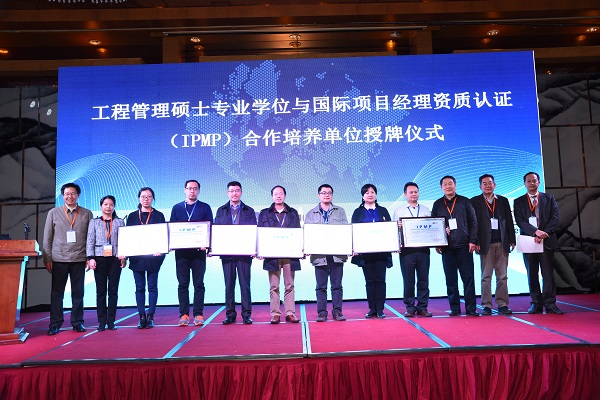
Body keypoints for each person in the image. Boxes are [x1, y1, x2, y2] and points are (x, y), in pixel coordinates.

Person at [43, 182, 93, 335]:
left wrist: (89, 257)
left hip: (79, 258)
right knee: (57, 293)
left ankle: (77, 322)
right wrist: (47, 259)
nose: (69, 196)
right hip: (59, 259)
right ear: (62, 195)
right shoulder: (53, 213)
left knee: (78, 293)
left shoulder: (87, 213)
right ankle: (55, 323)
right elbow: (47, 238)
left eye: (72, 193)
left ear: (78, 195)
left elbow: (90, 238)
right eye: (66, 194)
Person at [513, 172, 563, 314]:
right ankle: (536, 303)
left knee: (548, 275)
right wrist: (535, 232)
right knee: (532, 274)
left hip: (546, 240)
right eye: (528, 181)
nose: (531, 183)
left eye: (534, 180)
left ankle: (550, 304)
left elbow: (555, 218)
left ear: (539, 182)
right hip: (529, 242)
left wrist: (543, 233)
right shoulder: (518, 201)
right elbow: (520, 221)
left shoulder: (549, 198)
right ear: (524, 184)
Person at [431, 176, 479, 317]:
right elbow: (433, 224)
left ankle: (471, 308)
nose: (448, 186)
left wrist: (473, 241)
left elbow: (473, 222)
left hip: (464, 246)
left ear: (455, 185)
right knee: (451, 280)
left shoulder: (465, 201)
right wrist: (438, 242)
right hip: (447, 247)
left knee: (468, 279)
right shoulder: (438, 204)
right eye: (445, 184)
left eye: (450, 183)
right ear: (441, 188)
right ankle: (455, 308)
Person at [470, 174, 516, 316]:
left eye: (490, 183)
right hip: (484, 244)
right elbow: (473, 223)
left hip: (502, 242)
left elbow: (509, 220)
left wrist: (512, 239)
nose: (487, 186)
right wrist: (476, 241)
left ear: (494, 185)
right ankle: (486, 305)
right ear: (480, 186)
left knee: (502, 276)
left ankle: (502, 304)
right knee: (486, 276)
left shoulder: (502, 200)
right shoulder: (474, 201)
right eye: (484, 183)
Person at [170, 180, 213, 327]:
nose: (192, 191)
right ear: (184, 190)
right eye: (189, 188)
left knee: (198, 284)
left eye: (195, 188)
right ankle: (184, 314)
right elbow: (172, 228)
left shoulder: (205, 207)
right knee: (183, 284)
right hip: (181, 253)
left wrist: (207, 245)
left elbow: (210, 228)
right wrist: (171, 244)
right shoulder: (177, 208)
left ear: (199, 190)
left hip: (198, 253)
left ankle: (198, 314)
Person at [213, 181, 257, 325]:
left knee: (245, 285)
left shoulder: (249, 210)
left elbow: (253, 231)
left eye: (237, 190)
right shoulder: (221, 210)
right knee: (229, 285)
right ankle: (230, 314)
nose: (234, 193)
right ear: (227, 193)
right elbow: (216, 231)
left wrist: (253, 248)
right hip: (227, 254)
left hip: (244, 253)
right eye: (231, 191)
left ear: (241, 192)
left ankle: (246, 315)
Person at [258, 185, 301, 324]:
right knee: (274, 286)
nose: (278, 196)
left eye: (281, 193)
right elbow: (260, 233)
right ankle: (275, 313)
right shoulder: (265, 213)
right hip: (272, 255)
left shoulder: (293, 213)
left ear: (285, 195)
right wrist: (260, 250)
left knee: (289, 285)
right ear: (272, 196)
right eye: (276, 194)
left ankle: (290, 313)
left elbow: (298, 233)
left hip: (289, 254)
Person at [304, 184, 348, 322]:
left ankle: (337, 312)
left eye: (329, 192)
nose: (326, 195)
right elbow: (307, 234)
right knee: (321, 286)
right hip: (319, 256)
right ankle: (322, 313)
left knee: (337, 286)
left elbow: (345, 231)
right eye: (323, 193)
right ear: (319, 195)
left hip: (337, 254)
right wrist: (307, 248)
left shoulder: (340, 211)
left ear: (332, 195)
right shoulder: (311, 213)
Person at [126, 187, 166, 329]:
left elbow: (163, 236)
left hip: (153, 258)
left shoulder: (159, 215)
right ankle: (141, 316)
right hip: (137, 258)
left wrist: (161, 250)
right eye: (143, 196)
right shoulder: (132, 216)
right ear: (139, 198)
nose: (146, 199)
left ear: (153, 198)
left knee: (152, 287)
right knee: (139, 287)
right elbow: (127, 237)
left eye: (149, 196)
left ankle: (151, 316)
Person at [351, 184, 393, 319]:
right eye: (367, 192)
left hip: (381, 252)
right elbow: (353, 231)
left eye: (372, 192)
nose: (370, 194)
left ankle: (380, 309)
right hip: (365, 253)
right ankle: (372, 308)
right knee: (369, 280)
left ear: (376, 194)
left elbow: (390, 230)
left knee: (380, 280)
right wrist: (354, 247)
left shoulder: (383, 210)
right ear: (362, 196)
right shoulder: (357, 212)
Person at [86, 195, 126, 331]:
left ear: (114, 206)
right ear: (101, 206)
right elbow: (90, 241)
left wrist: (124, 257)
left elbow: (124, 241)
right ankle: (101, 321)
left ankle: (111, 321)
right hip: (99, 258)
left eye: (111, 204)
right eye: (105, 204)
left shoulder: (120, 221)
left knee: (113, 291)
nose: (108, 207)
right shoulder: (94, 222)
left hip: (115, 258)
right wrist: (90, 258)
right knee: (101, 291)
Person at [393, 182, 433, 318]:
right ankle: (410, 307)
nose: (414, 194)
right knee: (408, 281)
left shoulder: (426, 210)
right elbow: (394, 231)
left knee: (423, 280)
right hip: (407, 251)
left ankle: (422, 307)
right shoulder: (399, 211)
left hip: (423, 250)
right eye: (411, 192)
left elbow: (432, 227)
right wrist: (397, 227)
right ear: (405, 194)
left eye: (416, 192)